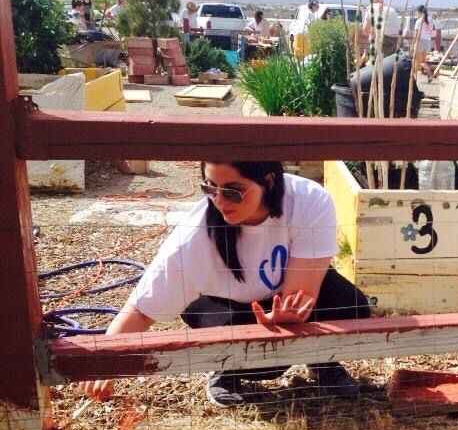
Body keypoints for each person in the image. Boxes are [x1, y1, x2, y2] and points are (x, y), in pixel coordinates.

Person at [79, 161, 372, 408]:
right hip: (220, 302)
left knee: (352, 309)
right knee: (266, 363)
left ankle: (321, 360)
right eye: (210, 188)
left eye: (233, 191)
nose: (219, 201)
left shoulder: (308, 200)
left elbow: (299, 295)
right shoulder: (192, 240)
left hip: (277, 296)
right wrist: (105, 362)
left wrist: (291, 319)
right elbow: (141, 310)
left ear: (269, 180)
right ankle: (225, 370)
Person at [412, 5, 436, 80]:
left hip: (420, 41)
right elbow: (431, 31)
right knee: (423, 61)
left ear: (419, 12)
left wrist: (413, 44)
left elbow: (416, 34)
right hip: (428, 42)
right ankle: (429, 74)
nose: (416, 13)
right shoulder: (431, 20)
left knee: (417, 61)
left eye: (416, 12)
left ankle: (416, 78)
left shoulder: (418, 21)